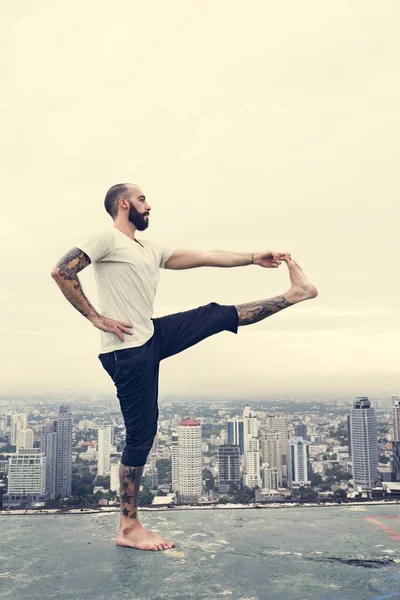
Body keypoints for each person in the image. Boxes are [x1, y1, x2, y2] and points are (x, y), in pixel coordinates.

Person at [51, 183, 317, 552]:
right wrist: (95, 317)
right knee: (141, 436)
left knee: (214, 315)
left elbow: (206, 256)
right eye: (143, 199)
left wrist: (254, 256)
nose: (149, 206)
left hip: (151, 334)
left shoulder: (149, 248)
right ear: (124, 204)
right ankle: (128, 527)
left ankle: (296, 294)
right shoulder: (106, 239)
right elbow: (63, 271)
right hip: (127, 350)